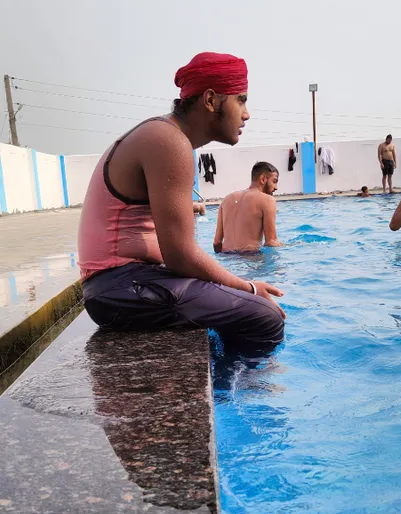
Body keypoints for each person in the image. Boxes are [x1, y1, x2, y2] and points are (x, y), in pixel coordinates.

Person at [77, 52, 285, 350]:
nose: (247, 113)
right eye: (241, 100)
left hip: (120, 285)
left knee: (233, 296)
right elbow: (180, 256)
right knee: (265, 315)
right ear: (211, 100)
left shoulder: (163, 135)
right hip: (119, 288)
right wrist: (249, 287)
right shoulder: (170, 141)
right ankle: (242, 388)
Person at [213, 162, 283, 253]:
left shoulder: (226, 199)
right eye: (274, 181)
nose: (276, 187)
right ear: (263, 179)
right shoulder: (268, 200)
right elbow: (271, 242)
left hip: (227, 257)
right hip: (250, 257)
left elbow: (217, 243)